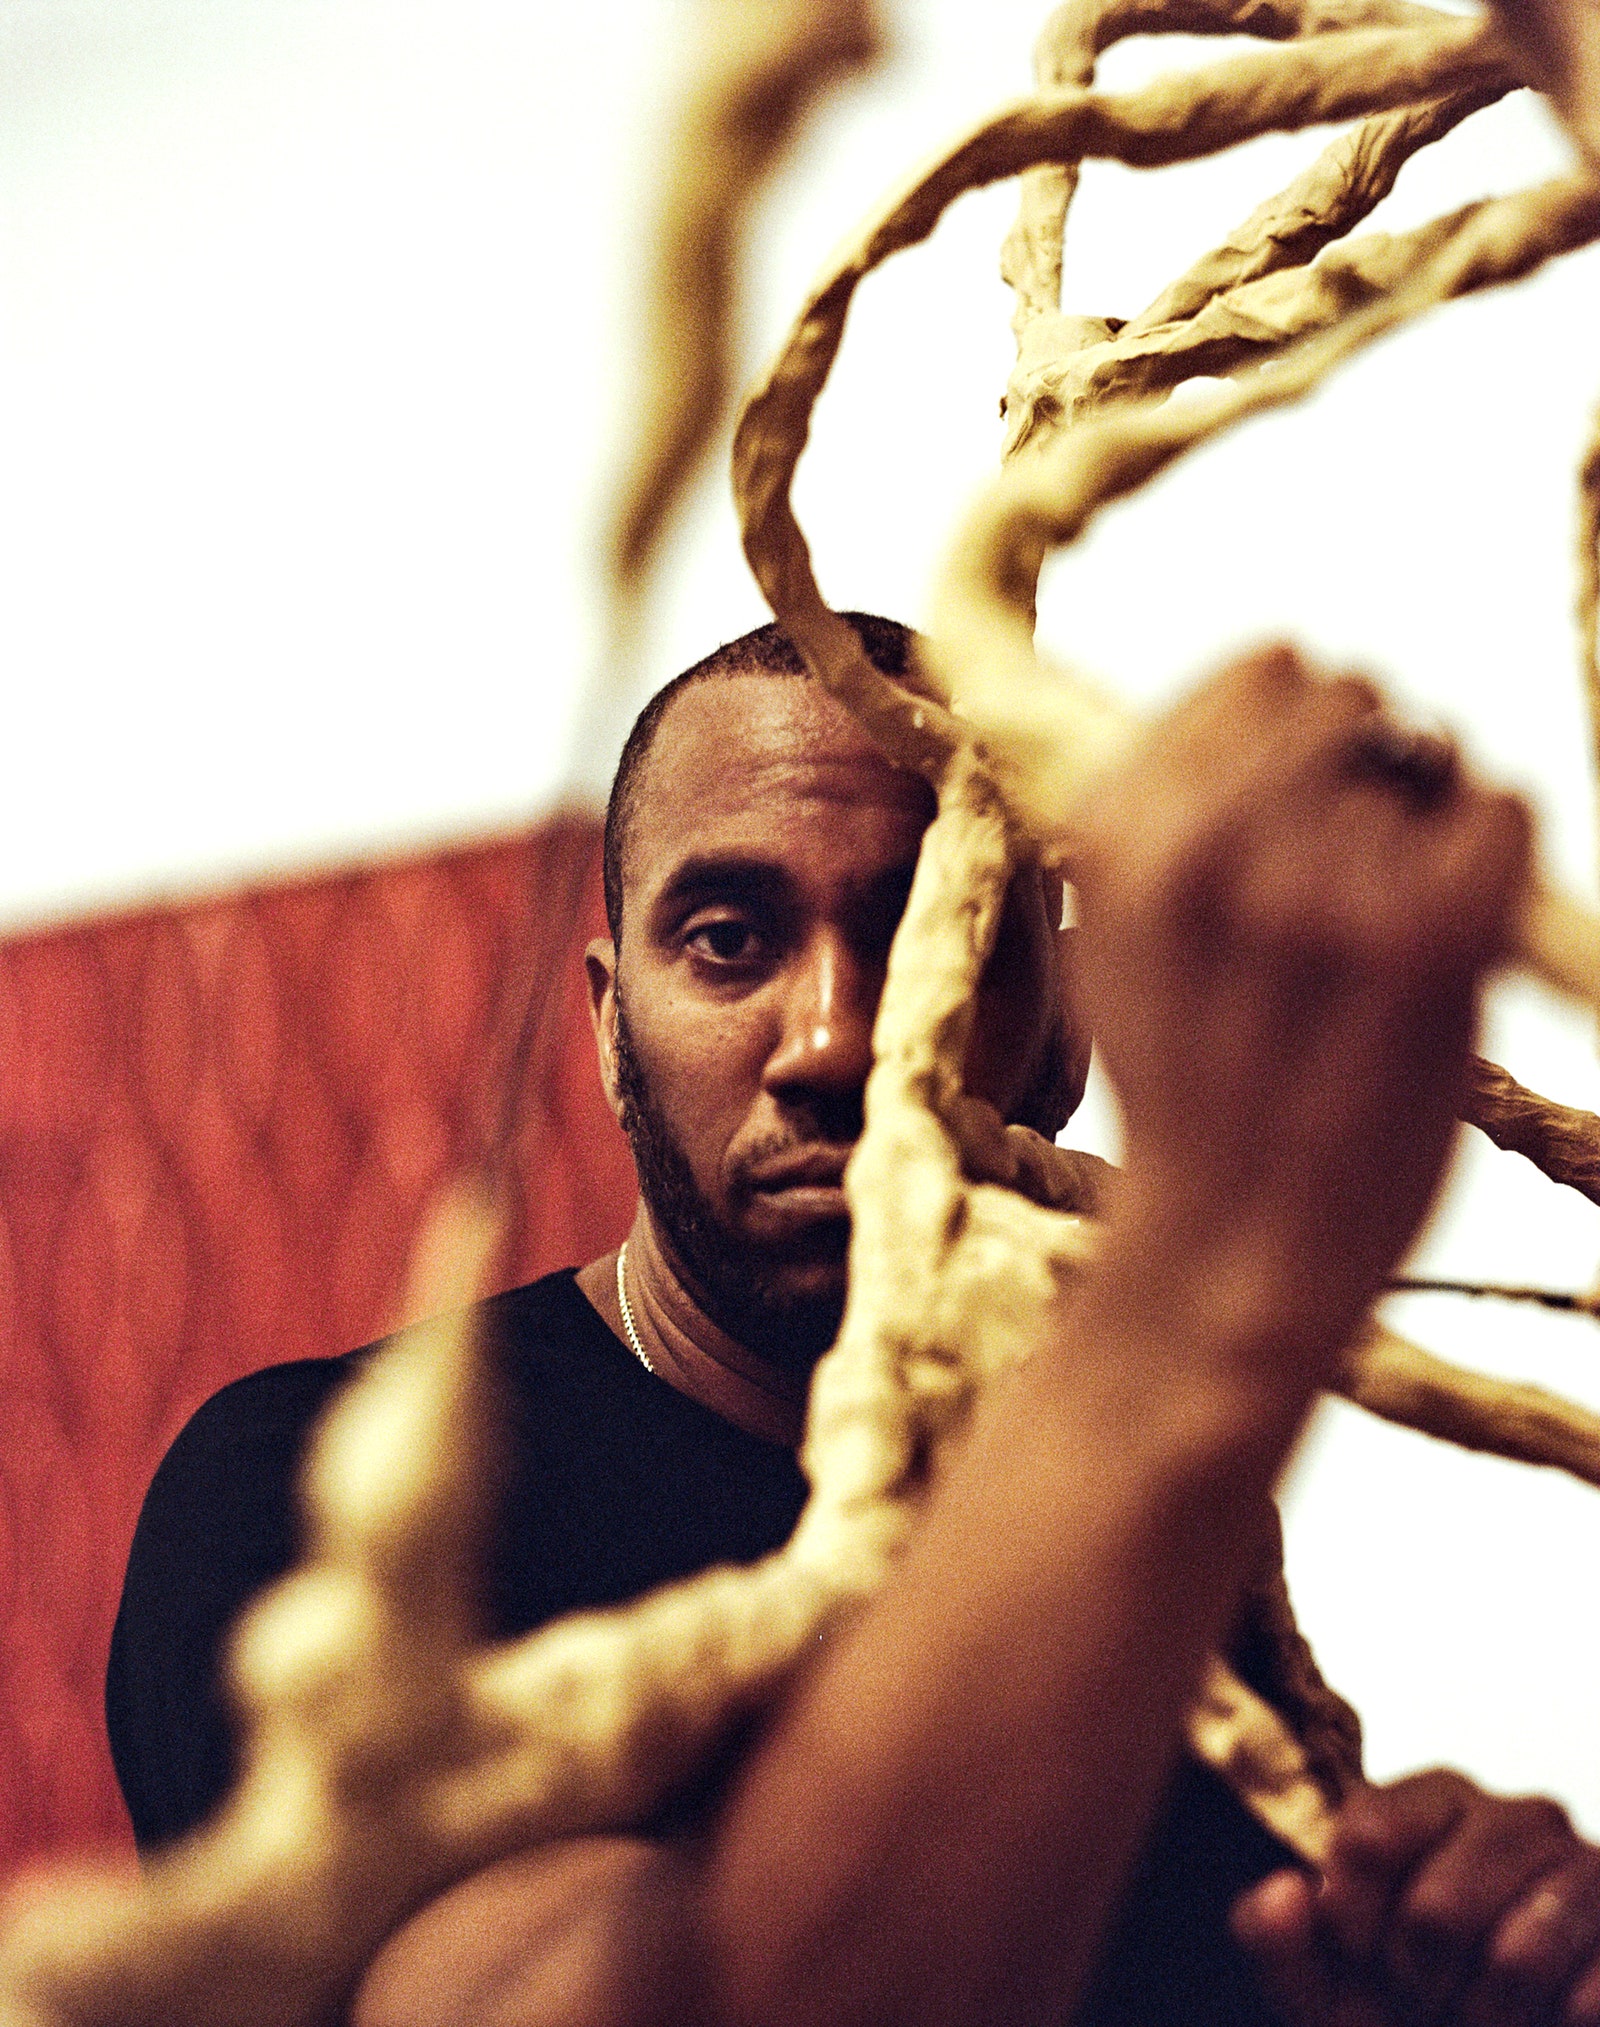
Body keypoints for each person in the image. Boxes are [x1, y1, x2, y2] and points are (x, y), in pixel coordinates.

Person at [109, 614, 1600, 2027]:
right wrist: (1197, 1296)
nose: (832, 1039)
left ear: (1068, 1029)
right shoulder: (321, 1502)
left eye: (921, 934)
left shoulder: (1115, 1542)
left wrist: (1430, 1969)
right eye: (726, 938)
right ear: (608, 1028)